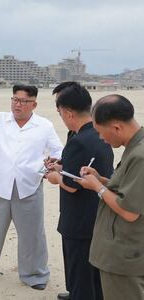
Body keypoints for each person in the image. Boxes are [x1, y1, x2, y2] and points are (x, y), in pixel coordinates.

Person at [0, 85, 63, 290]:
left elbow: (58, 150)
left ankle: (34, 275)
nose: (18, 104)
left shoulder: (44, 125)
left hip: (29, 185)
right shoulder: (0, 120)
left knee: (32, 235)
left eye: (23, 101)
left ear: (33, 104)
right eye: (15, 99)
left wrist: (52, 164)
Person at [45, 82, 113, 300]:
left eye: (60, 112)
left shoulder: (79, 140)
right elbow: (81, 168)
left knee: (79, 270)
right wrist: (63, 165)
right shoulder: (96, 132)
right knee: (92, 272)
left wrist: (55, 177)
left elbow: (72, 185)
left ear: (67, 112)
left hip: (80, 219)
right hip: (98, 214)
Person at [75, 95, 144, 300]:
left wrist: (97, 187)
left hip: (125, 253)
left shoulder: (139, 156)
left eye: (100, 132)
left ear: (116, 128)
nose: (101, 139)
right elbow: (129, 189)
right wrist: (102, 180)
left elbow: (130, 212)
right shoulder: (135, 149)